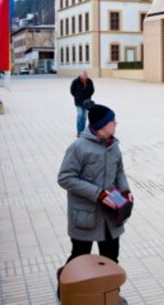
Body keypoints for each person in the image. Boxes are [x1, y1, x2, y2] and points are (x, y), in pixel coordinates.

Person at [57, 100, 133, 297]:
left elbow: (120, 172)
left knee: (111, 258)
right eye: (112, 122)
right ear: (101, 126)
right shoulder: (79, 147)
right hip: (86, 215)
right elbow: (65, 178)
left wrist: (124, 191)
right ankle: (65, 286)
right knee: (79, 257)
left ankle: (109, 294)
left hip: (110, 215)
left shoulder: (113, 145)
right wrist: (97, 194)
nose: (116, 124)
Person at [70, 71, 95, 136]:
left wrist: (88, 96)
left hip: (87, 102)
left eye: (86, 75)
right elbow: (72, 91)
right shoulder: (75, 81)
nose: (85, 77)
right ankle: (79, 131)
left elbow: (92, 90)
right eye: (83, 75)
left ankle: (83, 131)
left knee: (84, 117)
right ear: (80, 75)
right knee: (80, 115)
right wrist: (77, 96)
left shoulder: (90, 81)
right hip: (78, 101)